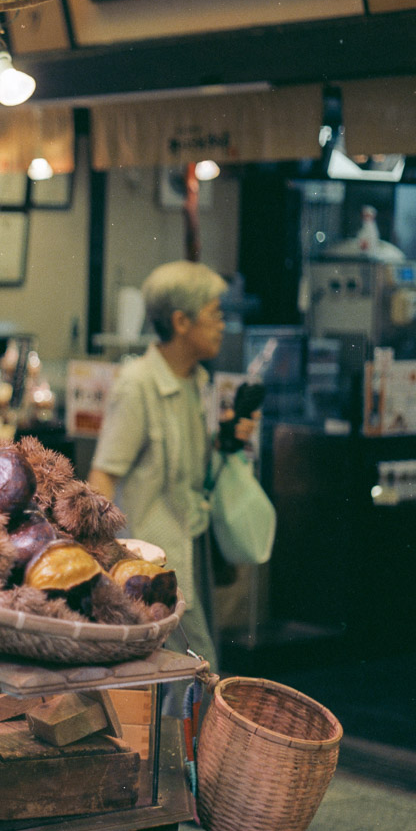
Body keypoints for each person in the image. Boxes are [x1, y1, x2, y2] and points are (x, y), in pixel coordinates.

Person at [87, 261, 255, 670]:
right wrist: (97, 557)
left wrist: (226, 442)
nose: (222, 325)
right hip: (148, 564)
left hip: (191, 549)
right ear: (181, 321)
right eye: (215, 314)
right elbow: (104, 474)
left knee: (191, 671)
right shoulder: (139, 383)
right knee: (194, 673)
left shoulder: (195, 381)